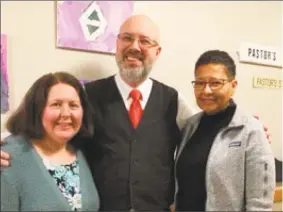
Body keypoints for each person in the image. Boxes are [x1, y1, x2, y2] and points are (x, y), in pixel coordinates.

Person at [0, 15, 272, 211]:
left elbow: (205, 126)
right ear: (116, 45)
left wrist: (248, 127)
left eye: (145, 41)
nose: (135, 47)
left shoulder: (172, 99)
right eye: (127, 38)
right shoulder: (88, 96)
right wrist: (5, 138)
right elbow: (51, 123)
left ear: (157, 51)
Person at [174, 50, 276, 211]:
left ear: (233, 85)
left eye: (215, 83)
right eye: (200, 83)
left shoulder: (251, 131)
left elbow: (260, 204)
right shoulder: (190, 126)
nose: (206, 90)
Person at [1, 72, 100, 211]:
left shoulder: (83, 151)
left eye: (73, 105)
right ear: (37, 109)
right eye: (56, 104)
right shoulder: (9, 156)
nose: (66, 113)